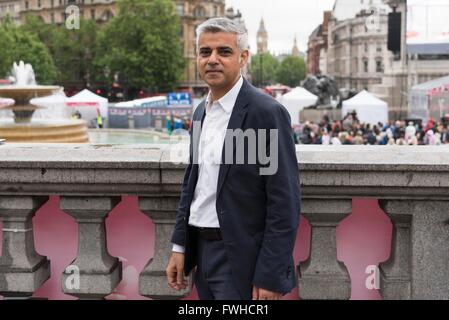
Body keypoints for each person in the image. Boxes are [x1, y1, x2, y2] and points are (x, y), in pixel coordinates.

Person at [166, 17, 300, 300]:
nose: (212, 59)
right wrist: (180, 246)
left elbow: (284, 199)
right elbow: (194, 183)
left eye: (223, 52)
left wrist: (271, 273)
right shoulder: (201, 111)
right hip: (202, 253)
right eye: (205, 52)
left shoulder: (266, 112)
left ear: (243, 57)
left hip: (242, 260)